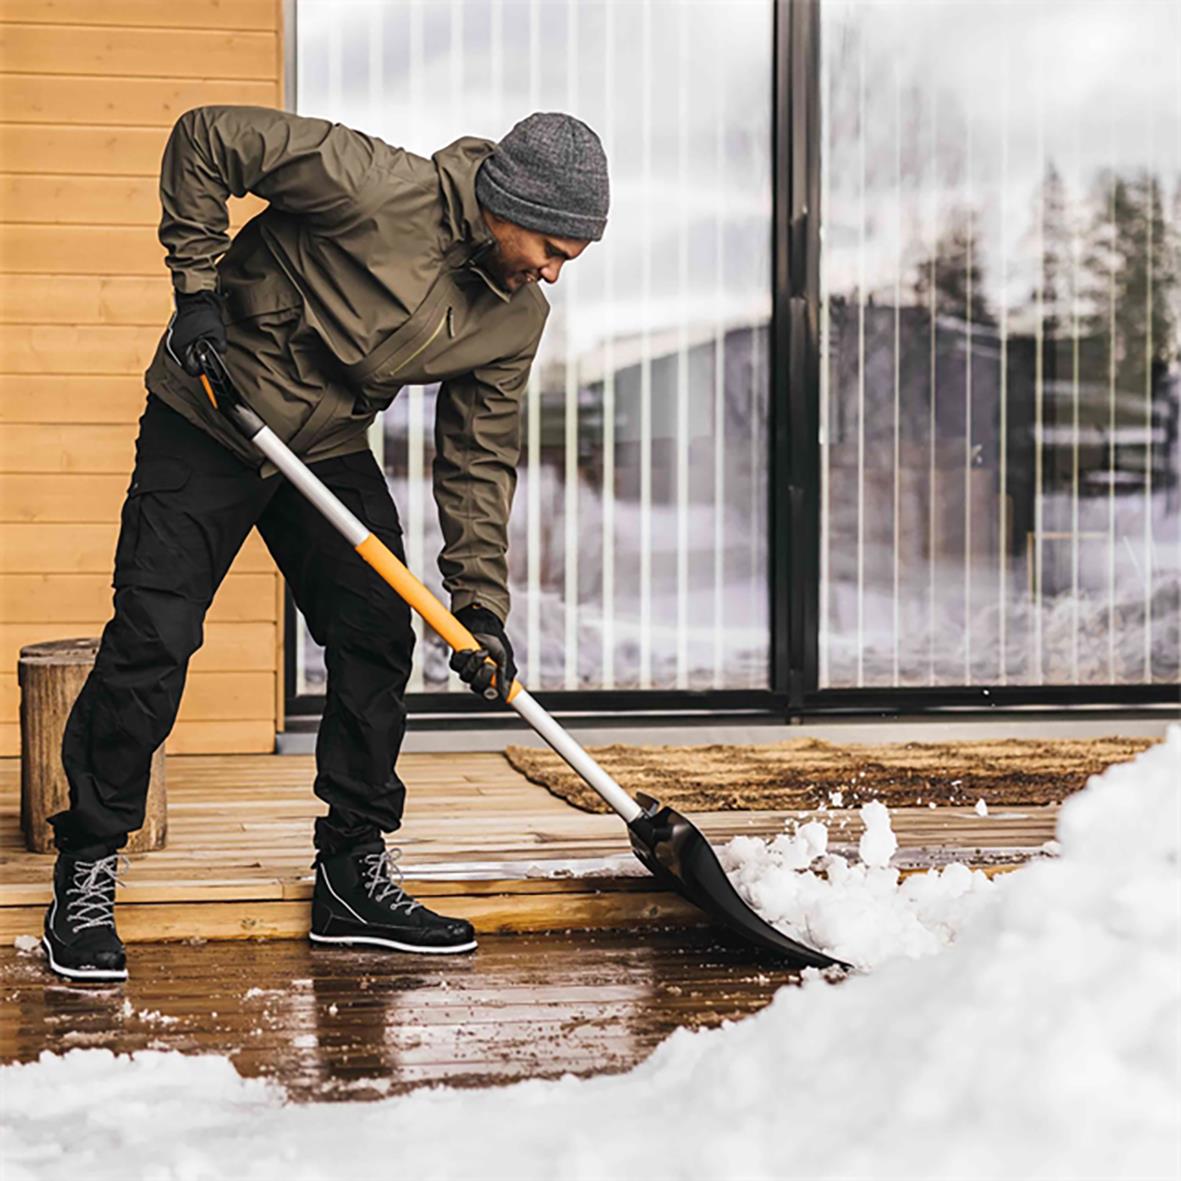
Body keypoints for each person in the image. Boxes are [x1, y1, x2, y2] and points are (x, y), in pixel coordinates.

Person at [41, 107, 609, 982]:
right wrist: (195, 293)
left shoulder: (512, 319)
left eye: (568, 260)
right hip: (210, 415)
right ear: (506, 203)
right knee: (154, 637)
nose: (552, 273)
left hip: (322, 448)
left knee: (375, 635)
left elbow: (477, 458)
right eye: (551, 248)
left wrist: (480, 606)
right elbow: (205, 138)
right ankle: (84, 867)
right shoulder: (379, 185)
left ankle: (351, 871)